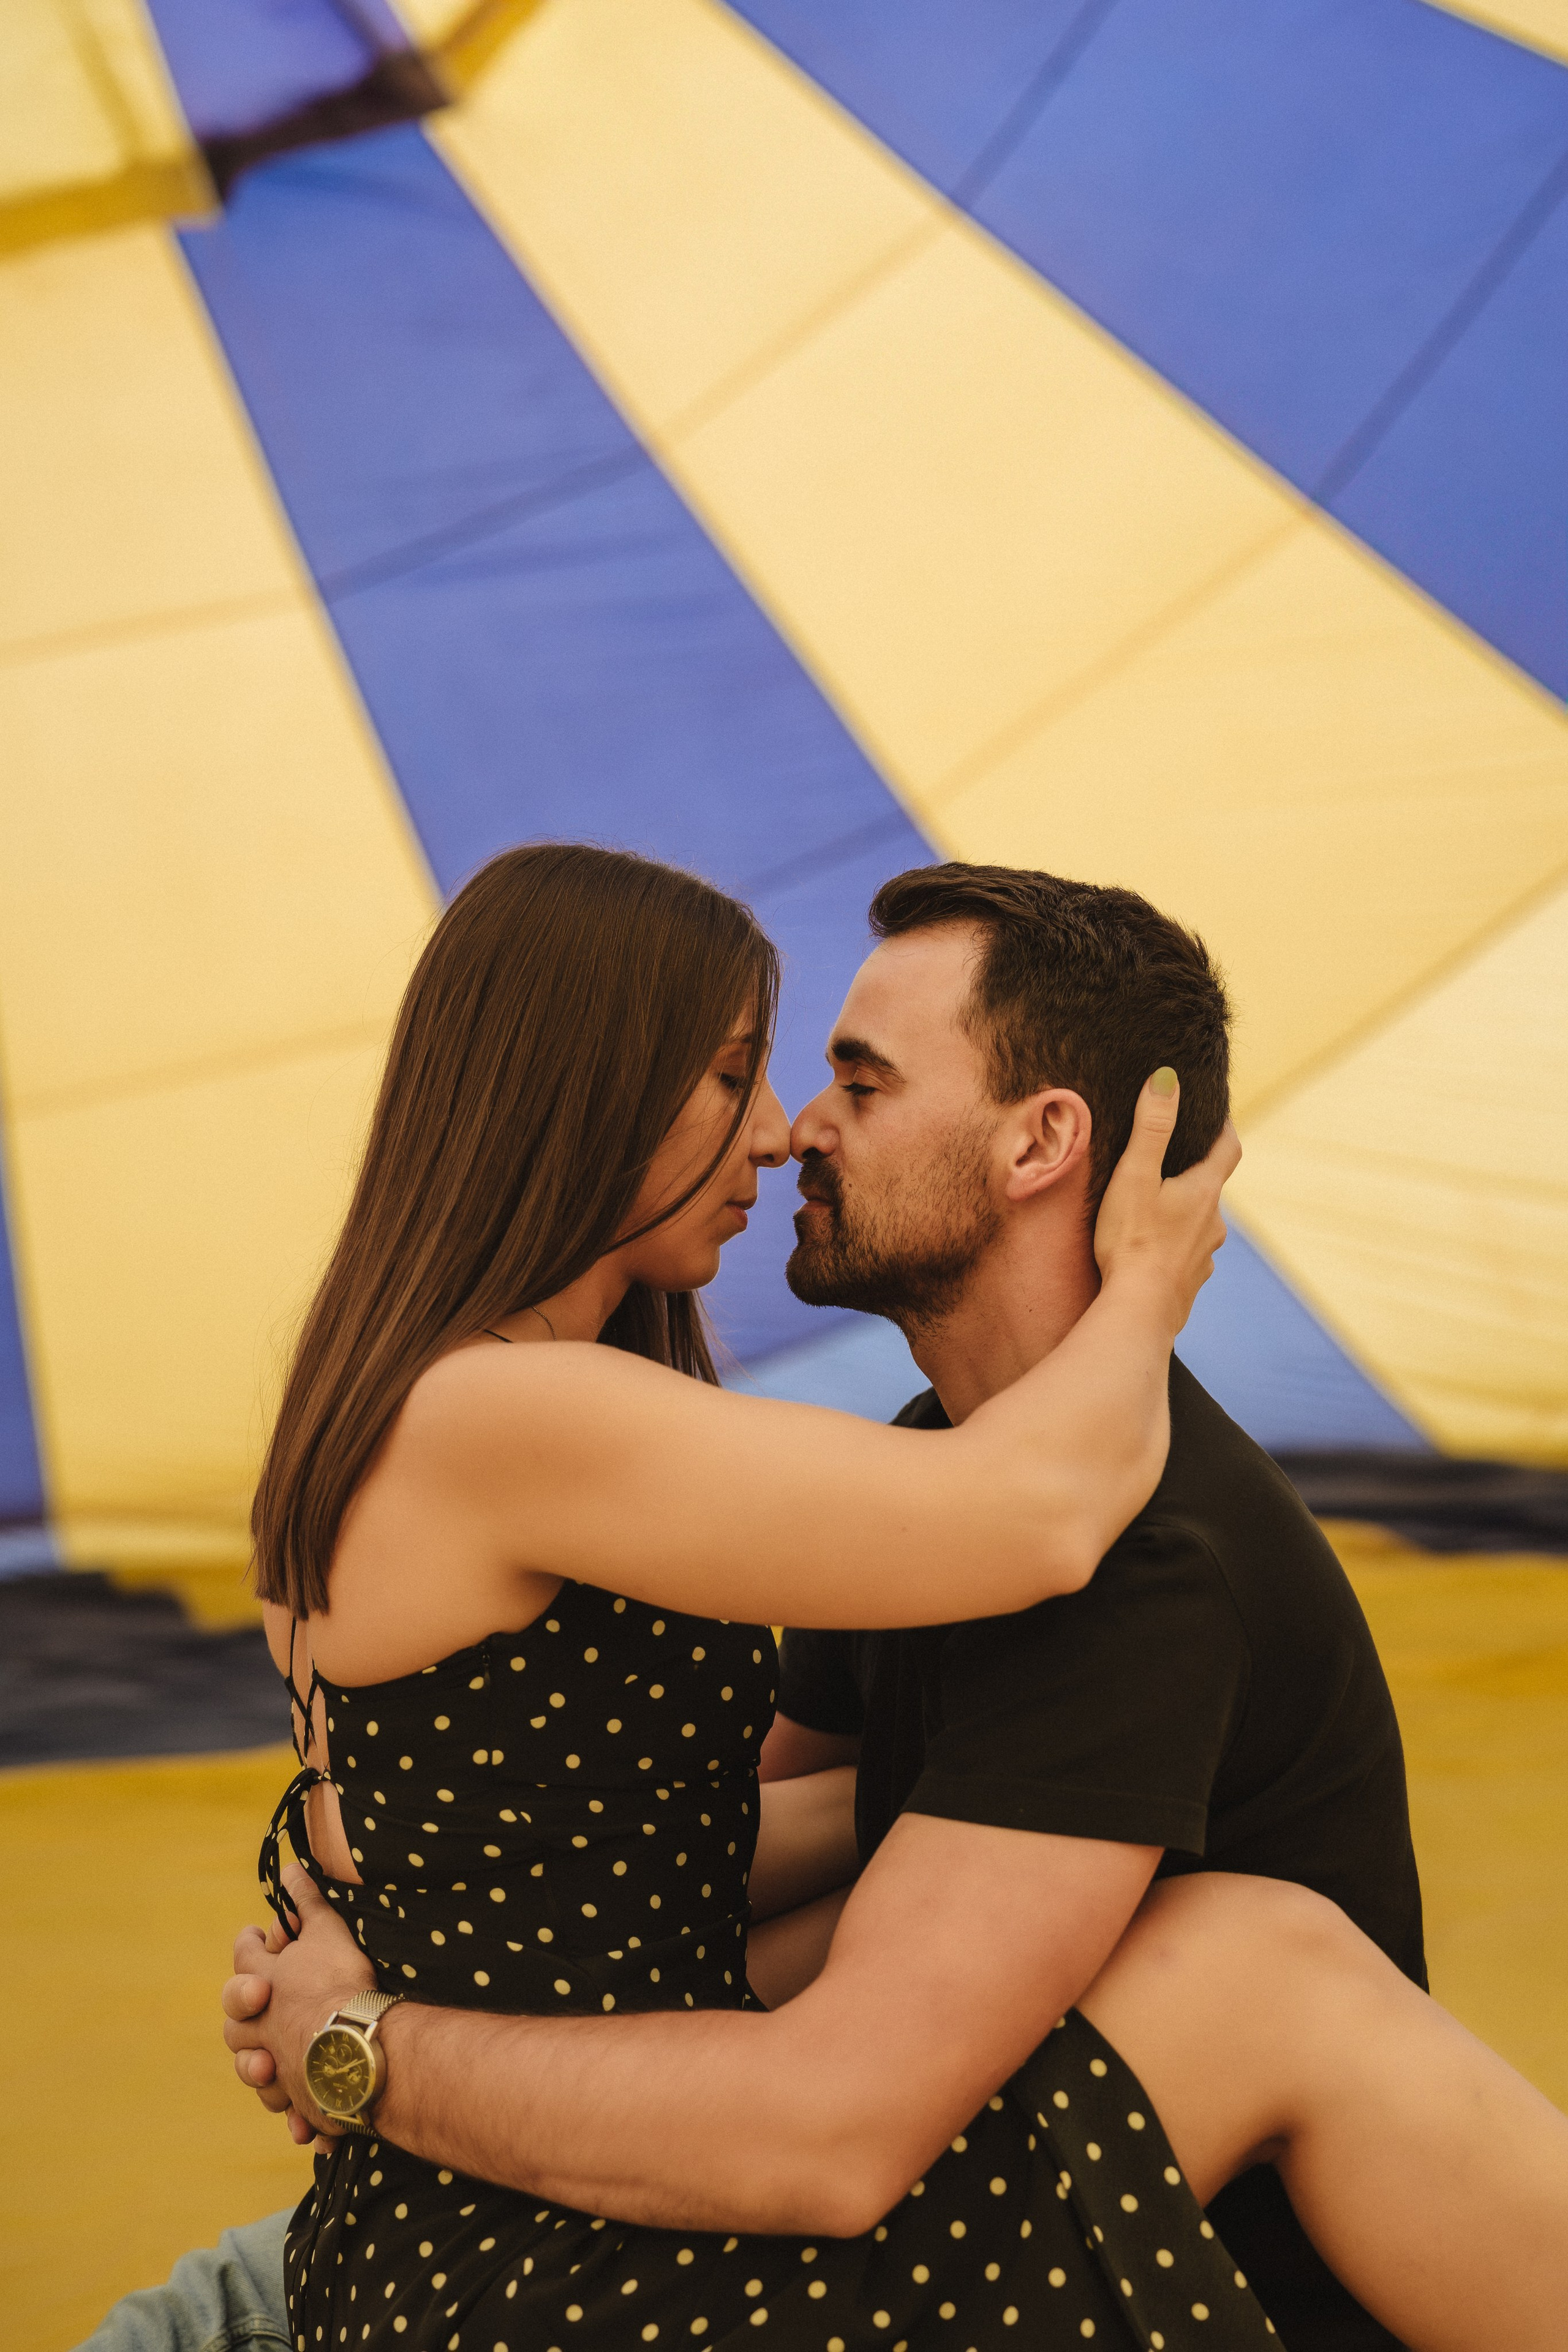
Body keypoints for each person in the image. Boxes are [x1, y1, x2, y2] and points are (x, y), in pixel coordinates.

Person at [82, 848, 1568, 2352]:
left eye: (852, 1083)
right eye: (743, 1075)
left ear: (1042, 1139)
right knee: (1267, 1968)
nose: (788, 1131)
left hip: (455, 2245)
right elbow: (1032, 1522)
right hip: (521, 2269)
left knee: (1252, 1959)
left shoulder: (1040, 1532)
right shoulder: (553, 1425)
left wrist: (369, 2007)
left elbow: (692, 1855)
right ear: (592, 1087)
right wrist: (1144, 1293)